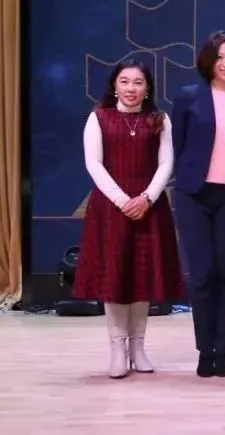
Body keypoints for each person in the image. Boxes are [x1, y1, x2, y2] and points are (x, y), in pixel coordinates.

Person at [73, 60, 184, 379]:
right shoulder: (99, 117)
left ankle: (138, 347)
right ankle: (117, 350)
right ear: (114, 85)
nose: (131, 88)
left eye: (138, 82)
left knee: (142, 277)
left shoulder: (159, 119)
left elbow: (166, 163)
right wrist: (123, 201)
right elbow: (94, 164)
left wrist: (147, 198)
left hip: (150, 207)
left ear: (147, 87)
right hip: (111, 209)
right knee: (116, 278)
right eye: (124, 82)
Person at [171, 31, 225, 378]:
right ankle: (205, 350)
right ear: (208, 60)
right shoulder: (188, 97)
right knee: (202, 275)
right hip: (194, 196)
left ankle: (223, 348)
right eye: (220, 57)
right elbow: (177, 146)